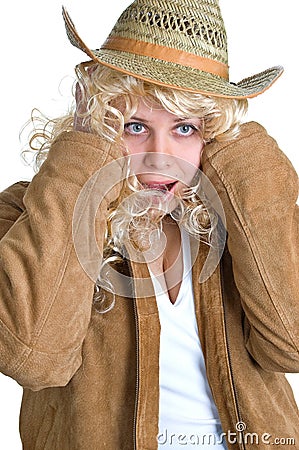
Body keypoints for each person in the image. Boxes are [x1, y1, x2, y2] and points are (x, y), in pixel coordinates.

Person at [0, 0, 298, 449]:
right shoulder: (29, 212)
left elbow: (291, 347)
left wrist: (239, 161)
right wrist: (81, 160)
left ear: (212, 135)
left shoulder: (237, 222)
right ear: (99, 123)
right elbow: (32, 357)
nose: (160, 156)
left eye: (185, 129)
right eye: (135, 125)